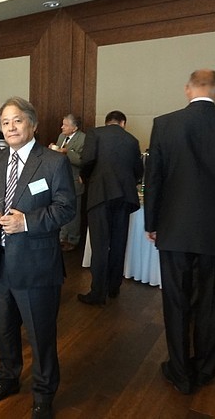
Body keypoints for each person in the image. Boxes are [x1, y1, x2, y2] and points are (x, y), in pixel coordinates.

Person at [144, 69, 215, 394]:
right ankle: (206, 369)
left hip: (174, 228)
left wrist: (152, 223)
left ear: (187, 90)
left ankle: (180, 372)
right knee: (214, 302)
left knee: (176, 302)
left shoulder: (164, 124)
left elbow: (154, 180)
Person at [0, 97, 75, 419]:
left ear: (32, 124)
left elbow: (66, 208)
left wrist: (27, 222)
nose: (11, 127)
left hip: (37, 266)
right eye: (5, 122)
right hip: (0, 262)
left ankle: (44, 393)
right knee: (4, 330)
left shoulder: (53, 162)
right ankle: (7, 379)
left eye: (17, 120)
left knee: (40, 335)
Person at [78, 110, 143, 305]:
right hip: (124, 197)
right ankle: (114, 287)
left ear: (107, 122)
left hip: (100, 194)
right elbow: (138, 171)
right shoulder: (132, 140)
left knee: (100, 245)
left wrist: (86, 178)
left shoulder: (95, 133)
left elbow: (87, 160)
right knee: (118, 243)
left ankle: (98, 293)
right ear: (123, 123)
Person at [49, 114, 86, 251]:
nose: (62, 127)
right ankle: (62, 237)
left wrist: (66, 152)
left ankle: (73, 239)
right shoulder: (61, 137)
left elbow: (82, 160)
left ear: (74, 127)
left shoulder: (83, 138)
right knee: (61, 208)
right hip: (60, 180)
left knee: (74, 213)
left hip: (75, 179)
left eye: (65, 125)